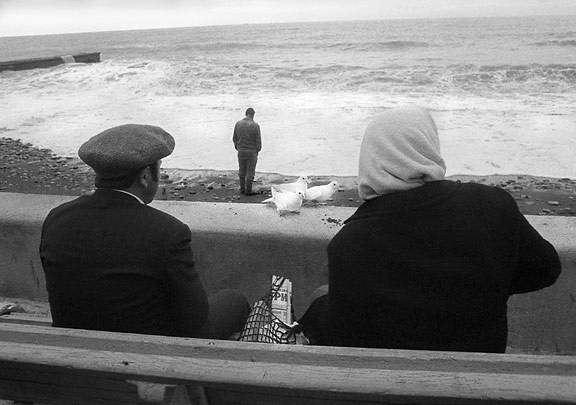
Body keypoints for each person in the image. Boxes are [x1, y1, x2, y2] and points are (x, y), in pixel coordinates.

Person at [299, 105, 561, 353]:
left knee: (321, 298)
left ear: (370, 159)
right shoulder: (491, 205)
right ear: (428, 146)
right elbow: (546, 269)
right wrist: (484, 286)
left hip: (389, 377)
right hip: (479, 373)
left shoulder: (350, 243)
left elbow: (344, 336)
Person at [39, 124, 250, 339]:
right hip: (142, 350)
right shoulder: (167, 232)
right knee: (235, 300)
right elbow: (195, 321)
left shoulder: (57, 218)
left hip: (69, 341)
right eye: (159, 167)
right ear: (145, 176)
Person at [233, 107, 261, 195]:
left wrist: (238, 147)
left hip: (241, 150)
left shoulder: (238, 124)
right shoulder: (255, 125)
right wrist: (257, 151)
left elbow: (234, 138)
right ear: (253, 115)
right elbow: (258, 142)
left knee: (242, 170)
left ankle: (242, 189)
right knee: (250, 172)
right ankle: (248, 190)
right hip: (252, 152)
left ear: (246, 114)